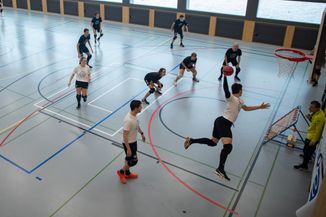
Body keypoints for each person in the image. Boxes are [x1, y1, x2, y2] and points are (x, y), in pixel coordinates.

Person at [183, 74, 270, 181]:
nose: (242, 91)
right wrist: (224, 76)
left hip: (220, 121)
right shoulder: (231, 98)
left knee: (213, 142)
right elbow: (225, 89)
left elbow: (246, 109)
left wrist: (259, 107)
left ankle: (191, 140)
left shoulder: (240, 101)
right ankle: (220, 168)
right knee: (228, 147)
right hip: (224, 122)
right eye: (241, 90)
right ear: (239, 90)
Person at [117, 100, 146, 184]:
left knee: (128, 158)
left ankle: (128, 173)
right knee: (134, 161)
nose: (141, 108)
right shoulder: (128, 120)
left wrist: (142, 133)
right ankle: (121, 172)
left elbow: (137, 126)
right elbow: (125, 136)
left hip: (133, 141)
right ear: (136, 108)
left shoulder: (135, 115)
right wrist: (128, 149)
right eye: (140, 106)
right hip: (128, 143)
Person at [294, 101, 325, 170]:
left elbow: (318, 131)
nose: (309, 108)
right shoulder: (317, 112)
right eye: (310, 106)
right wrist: (310, 118)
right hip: (311, 134)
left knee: (306, 150)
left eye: (311, 107)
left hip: (312, 137)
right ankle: (308, 157)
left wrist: (313, 141)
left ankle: (304, 165)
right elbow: (314, 123)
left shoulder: (319, 118)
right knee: (309, 151)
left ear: (317, 108)